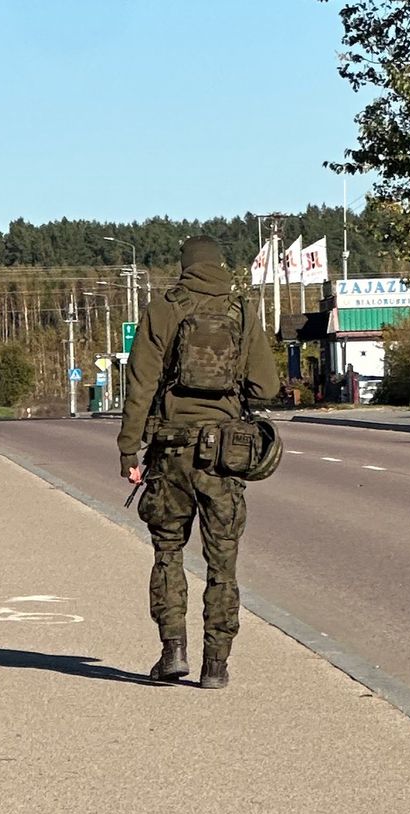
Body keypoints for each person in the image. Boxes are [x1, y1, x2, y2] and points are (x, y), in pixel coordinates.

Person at [117, 236, 278, 689]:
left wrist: (129, 449)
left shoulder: (163, 309)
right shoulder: (243, 311)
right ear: (220, 265)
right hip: (224, 456)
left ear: (185, 266)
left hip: (170, 454)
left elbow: (141, 384)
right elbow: (265, 387)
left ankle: (173, 651)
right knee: (222, 562)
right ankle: (217, 665)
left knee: (168, 552)